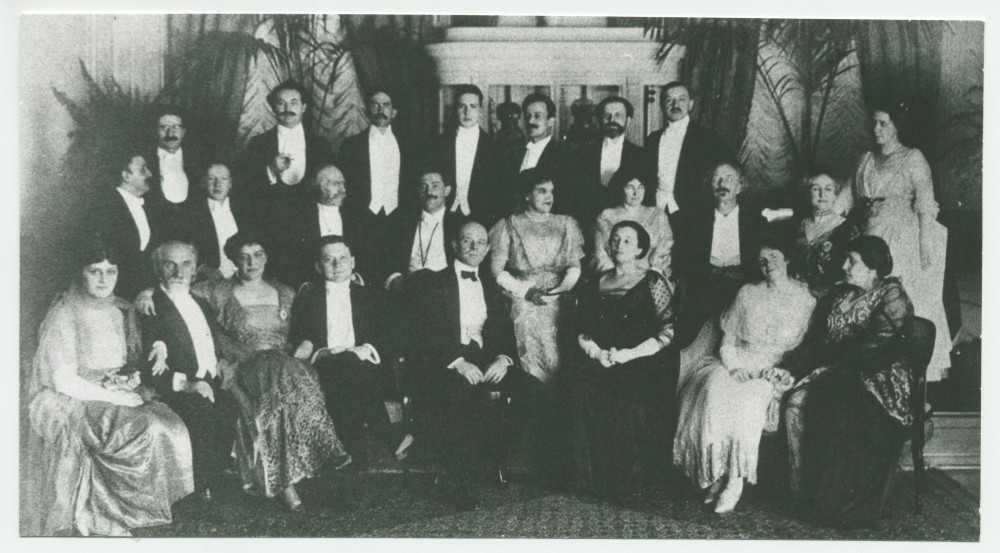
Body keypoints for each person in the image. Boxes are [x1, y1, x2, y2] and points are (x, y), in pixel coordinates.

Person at [23, 238, 194, 536]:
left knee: (170, 425)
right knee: (143, 428)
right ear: (81, 274)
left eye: (111, 271)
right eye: (95, 271)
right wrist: (114, 397)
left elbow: (133, 360)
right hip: (76, 398)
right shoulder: (66, 312)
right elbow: (63, 379)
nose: (104, 279)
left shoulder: (124, 309)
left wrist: (131, 382)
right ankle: (108, 516)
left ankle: (140, 510)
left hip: (117, 393)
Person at [193, 232, 352, 510]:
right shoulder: (218, 291)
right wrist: (147, 292)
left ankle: (287, 486)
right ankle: (328, 446)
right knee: (283, 372)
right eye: (243, 257)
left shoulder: (286, 292)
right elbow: (179, 291)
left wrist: (306, 344)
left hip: (284, 367)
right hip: (245, 363)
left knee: (280, 402)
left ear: (266, 257)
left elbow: (305, 329)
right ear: (233, 260)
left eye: (257, 255)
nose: (251, 263)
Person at [673, 235, 815, 514]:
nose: (768, 264)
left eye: (774, 257)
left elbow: (808, 349)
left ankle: (735, 481)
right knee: (713, 390)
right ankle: (715, 473)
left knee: (748, 402)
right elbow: (727, 340)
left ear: (787, 258)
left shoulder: (806, 300)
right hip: (738, 361)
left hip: (772, 369)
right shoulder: (747, 293)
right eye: (762, 260)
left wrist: (783, 370)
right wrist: (734, 366)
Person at [784, 235, 916, 528]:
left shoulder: (892, 295)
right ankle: (809, 497)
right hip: (839, 371)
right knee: (806, 400)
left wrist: (829, 366)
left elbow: (874, 346)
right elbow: (815, 340)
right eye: (845, 259)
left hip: (880, 377)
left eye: (852, 261)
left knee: (842, 412)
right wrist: (793, 368)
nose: (844, 265)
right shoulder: (840, 294)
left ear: (873, 267)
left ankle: (841, 505)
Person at [405, 222, 536, 508]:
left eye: (480, 242)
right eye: (467, 241)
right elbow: (425, 333)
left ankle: (493, 455)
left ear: (489, 248)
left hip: (486, 360)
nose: (474, 247)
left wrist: (503, 359)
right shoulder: (434, 282)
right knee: (460, 396)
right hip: (445, 363)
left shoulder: (491, 286)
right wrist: (457, 362)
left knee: (532, 390)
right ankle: (456, 482)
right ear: (455, 245)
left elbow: (503, 332)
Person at [570, 221, 678, 494]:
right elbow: (582, 330)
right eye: (615, 239)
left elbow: (667, 332)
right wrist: (597, 353)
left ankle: (626, 485)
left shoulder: (653, 280)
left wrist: (630, 354)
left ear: (641, 248)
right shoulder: (595, 282)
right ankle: (591, 483)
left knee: (626, 399)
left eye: (628, 241)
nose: (619, 245)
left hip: (643, 361)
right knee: (582, 391)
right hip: (603, 358)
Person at [288, 236, 413, 467]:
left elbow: (393, 336)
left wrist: (367, 348)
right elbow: (300, 337)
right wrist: (318, 352)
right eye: (328, 259)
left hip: (366, 367)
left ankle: (346, 463)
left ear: (353, 262)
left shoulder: (373, 296)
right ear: (318, 266)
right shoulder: (308, 299)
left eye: (343, 258)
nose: (336, 265)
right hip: (324, 366)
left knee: (349, 372)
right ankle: (389, 435)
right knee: (346, 367)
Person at [852, 103, 951, 380]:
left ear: (897, 126)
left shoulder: (913, 158)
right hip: (870, 236)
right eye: (874, 123)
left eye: (883, 123)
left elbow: (925, 204)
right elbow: (846, 200)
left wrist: (925, 245)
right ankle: (872, 370)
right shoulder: (865, 159)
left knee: (901, 300)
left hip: (902, 238)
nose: (876, 129)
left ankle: (907, 374)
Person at [141, 241, 240, 503]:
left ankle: (215, 476)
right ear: (158, 270)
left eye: (185, 264)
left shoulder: (200, 302)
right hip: (174, 387)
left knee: (229, 406)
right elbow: (149, 365)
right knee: (201, 409)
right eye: (169, 264)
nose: (178, 271)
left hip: (209, 377)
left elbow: (208, 341)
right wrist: (189, 385)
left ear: (195, 269)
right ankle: (200, 487)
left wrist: (217, 363)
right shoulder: (151, 306)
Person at [489, 169, 584, 384]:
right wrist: (527, 292)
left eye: (551, 191)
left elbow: (574, 267)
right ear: (526, 195)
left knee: (564, 326)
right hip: (523, 293)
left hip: (558, 292)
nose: (549, 196)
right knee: (526, 317)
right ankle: (535, 386)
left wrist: (559, 291)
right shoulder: (510, 224)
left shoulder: (566, 223)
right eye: (541, 191)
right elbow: (496, 269)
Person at [671, 161, 767, 346]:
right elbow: (682, 260)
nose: (723, 184)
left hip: (742, 285)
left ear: (739, 187)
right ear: (710, 186)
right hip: (704, 284)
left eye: (730, 179)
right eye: (717, 179)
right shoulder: (692, 220)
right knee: (690, 338)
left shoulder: (756, 221)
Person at [240, 80, 333, 212]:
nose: (287, 109)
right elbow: (247, 186)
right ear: (273, 108)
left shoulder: (320, 144)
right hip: (272, 217)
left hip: (311, 218)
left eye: (293, 103)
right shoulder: (258, 143)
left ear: (303, 107)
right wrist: (271, 170)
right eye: (281, 103)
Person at [643, 81, 731, 220]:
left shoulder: (708, 137)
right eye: (669, 100)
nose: (675, 105)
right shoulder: (652, 139)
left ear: (690, 104)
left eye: (681, 99)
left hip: (694, 214)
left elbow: (727, 174)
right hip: (655, 212)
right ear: (661, 105)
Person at [275, 163, 367, 288]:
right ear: (319, 187)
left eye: (343, 183)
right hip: (313, 287)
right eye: (336, 184)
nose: (343, 190)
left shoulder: (356, 218)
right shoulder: (298, 218)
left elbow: (366, 255)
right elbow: (289, 259)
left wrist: (357, 279)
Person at [90, 150, 162, 300]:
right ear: (126, 176)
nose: (149, 174)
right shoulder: (107, 207)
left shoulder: (146, 207)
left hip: (143, 293)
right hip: (115, 294)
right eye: (143, 169)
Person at [337, 89, 414, 228]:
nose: (380, 109)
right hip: (362, 220)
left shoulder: (409, 145)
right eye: (375, 105)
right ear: (367, 111)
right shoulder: (351, 145)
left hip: (399, 218)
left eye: (386, 105)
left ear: (394, 112)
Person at [382, 169, 466, 293]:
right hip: (406, 289)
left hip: (446, 292)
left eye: (435, 185)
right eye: (423, 186)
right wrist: (394, 278)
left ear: (447, 190)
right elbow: (386, 255)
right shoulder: (400, 221)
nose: (429, 192)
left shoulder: (460, 224)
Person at [571, 96, 645, 224]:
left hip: (627, 226)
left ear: (628, 120)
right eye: (607, 115)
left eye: (618, 115)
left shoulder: (641, 156)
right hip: (588, 224)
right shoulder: (581, 154)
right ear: (600, 119)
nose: (612, 120)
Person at [436, 84, 501, 227]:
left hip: (481, 218)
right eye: (462, 106)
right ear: (455, 110)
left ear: (481, 111)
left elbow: (499, 191)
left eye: (473, 106)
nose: (467, 112)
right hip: (446, 215)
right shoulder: (440, 143)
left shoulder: (495, 147)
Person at [181, 162, 254, 282]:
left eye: (224, 179)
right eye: (211, 178)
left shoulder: (244, 212)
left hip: (245, 280)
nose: (217, 184)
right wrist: (203, 269)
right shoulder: (192, 214)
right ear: (203, 183)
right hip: (212, 282)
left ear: (230, 183)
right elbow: (185, 251)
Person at [592, 171, 674, 277]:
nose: (636, 193)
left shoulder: (658, 215)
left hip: (650, 276)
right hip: (615, 277)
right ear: (620, 188)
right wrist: (617, 277)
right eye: (630, 187)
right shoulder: (606, 216)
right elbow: (599, 254)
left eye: (641, 187)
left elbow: (664, 249)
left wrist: (651, 275)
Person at [792, 168, 858, 297]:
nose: (822, 195)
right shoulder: (798, 225)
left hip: (832, 295)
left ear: (836, 193)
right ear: (808, 193)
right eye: (816, 189)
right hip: (799, 293)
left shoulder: (847, 228)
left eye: (828, 189)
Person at [501, 93, 566, 216]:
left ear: (551, 121)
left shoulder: (563, 156)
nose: (530, 121)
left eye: (537, 116)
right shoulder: (515, 152)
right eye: (528, 116)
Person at [145, 109, 202, 227]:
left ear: (183, 132)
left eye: (176, 127)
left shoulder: (197, 160)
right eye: (163, 127)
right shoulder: (146, 160)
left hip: (191, 226)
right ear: (155, 132)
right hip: (155, 226)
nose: (170, 134)